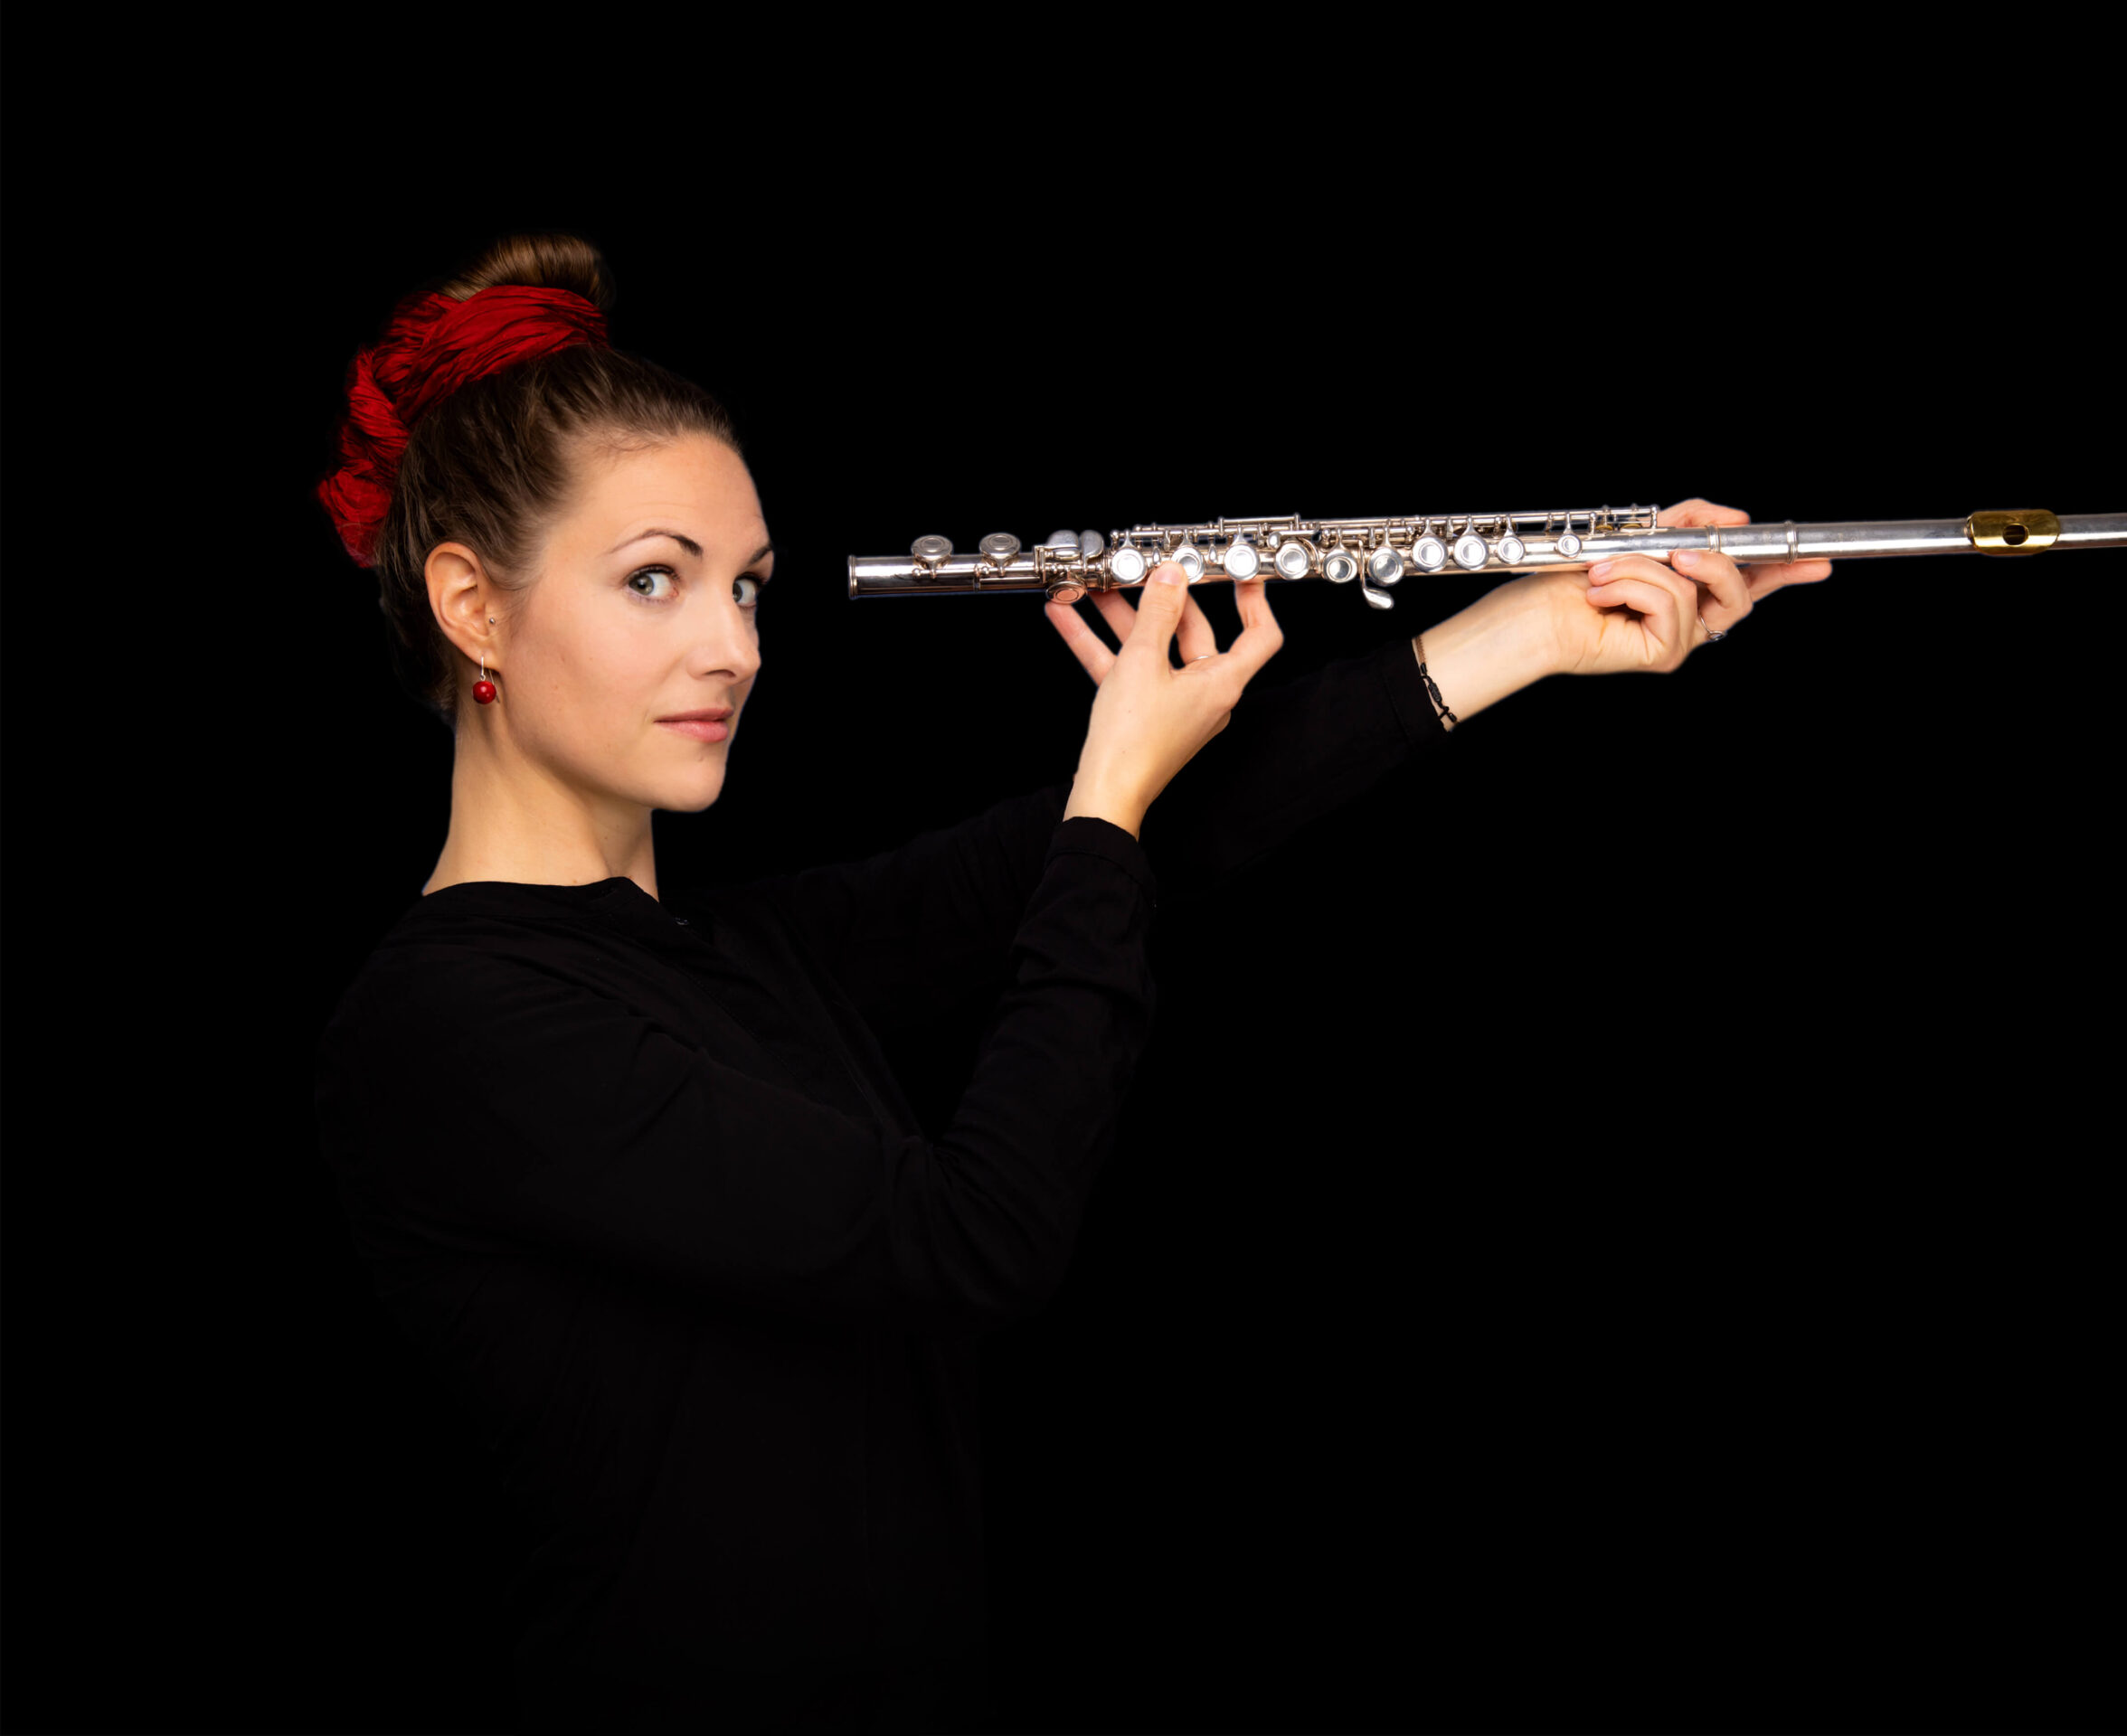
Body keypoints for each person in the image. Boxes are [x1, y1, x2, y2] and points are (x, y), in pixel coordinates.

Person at [309, 231, 1831, 1734]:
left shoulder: (735, 953)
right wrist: (1108, 799)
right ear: (474, 606)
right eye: (656, 580)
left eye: (748, 589)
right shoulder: (449, 1028)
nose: (736, 650)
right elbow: (971, 1239)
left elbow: (1131, 847)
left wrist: (1536, 629)